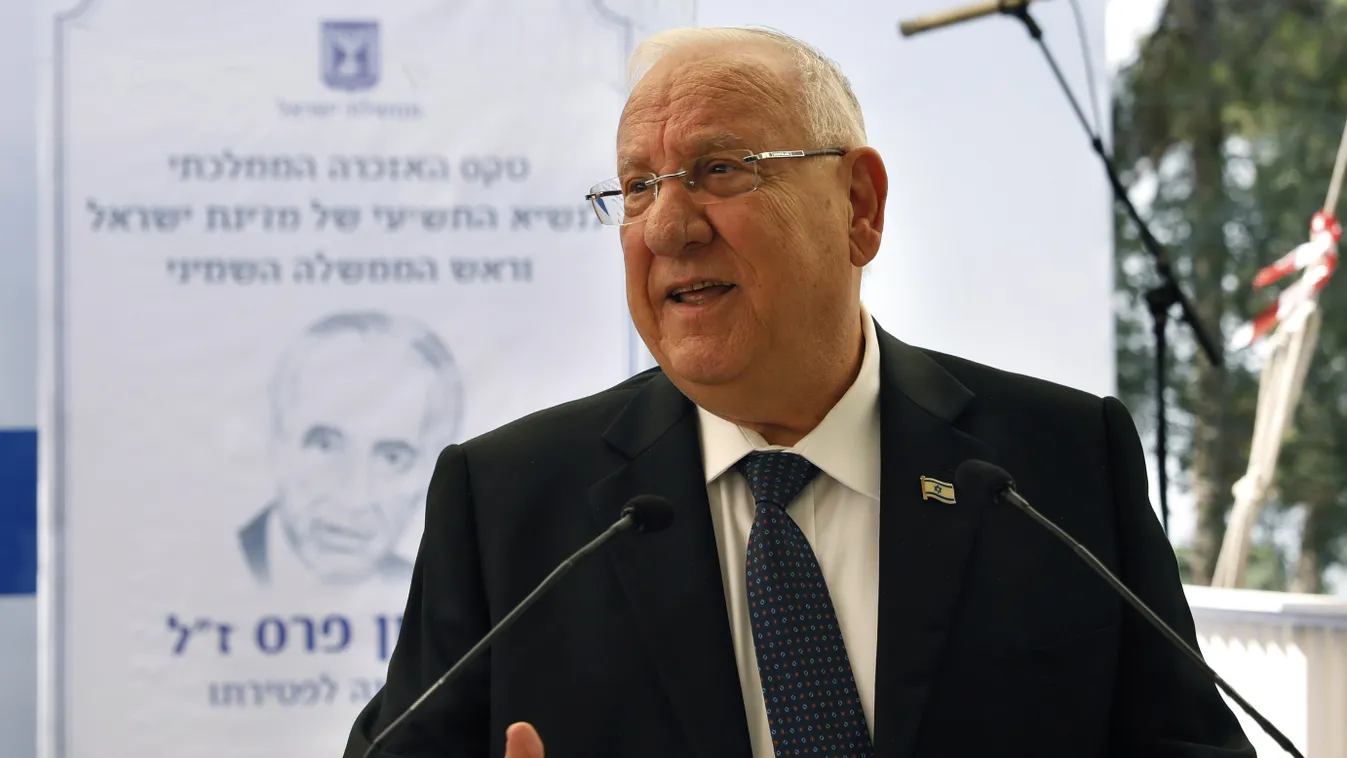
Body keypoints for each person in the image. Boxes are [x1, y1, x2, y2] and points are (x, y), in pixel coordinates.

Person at [343, 27, 1253, 758]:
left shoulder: (1055, 461)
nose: (666, 225)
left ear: (858, 204)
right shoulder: (506, 501)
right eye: (634, 186)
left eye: (720, 169)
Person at [239, 310, 463, 586]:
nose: (354, 498)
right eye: (325, 446)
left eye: (392, 458)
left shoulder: (434, 593)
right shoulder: (205, 565)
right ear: (277, 444)